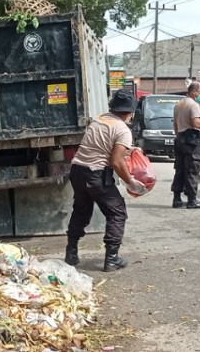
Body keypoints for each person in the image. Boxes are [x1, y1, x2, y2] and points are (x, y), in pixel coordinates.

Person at [64, 88, 141, 272]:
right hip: (95, 174)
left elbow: (101, 146)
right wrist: (131, 182)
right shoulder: (122, 129)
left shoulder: (100, 120)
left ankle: (71, 252)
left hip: (77, 171)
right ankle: (111, 259)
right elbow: (116, 161)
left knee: (81, 210)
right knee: (117, 212)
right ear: (130, 112)